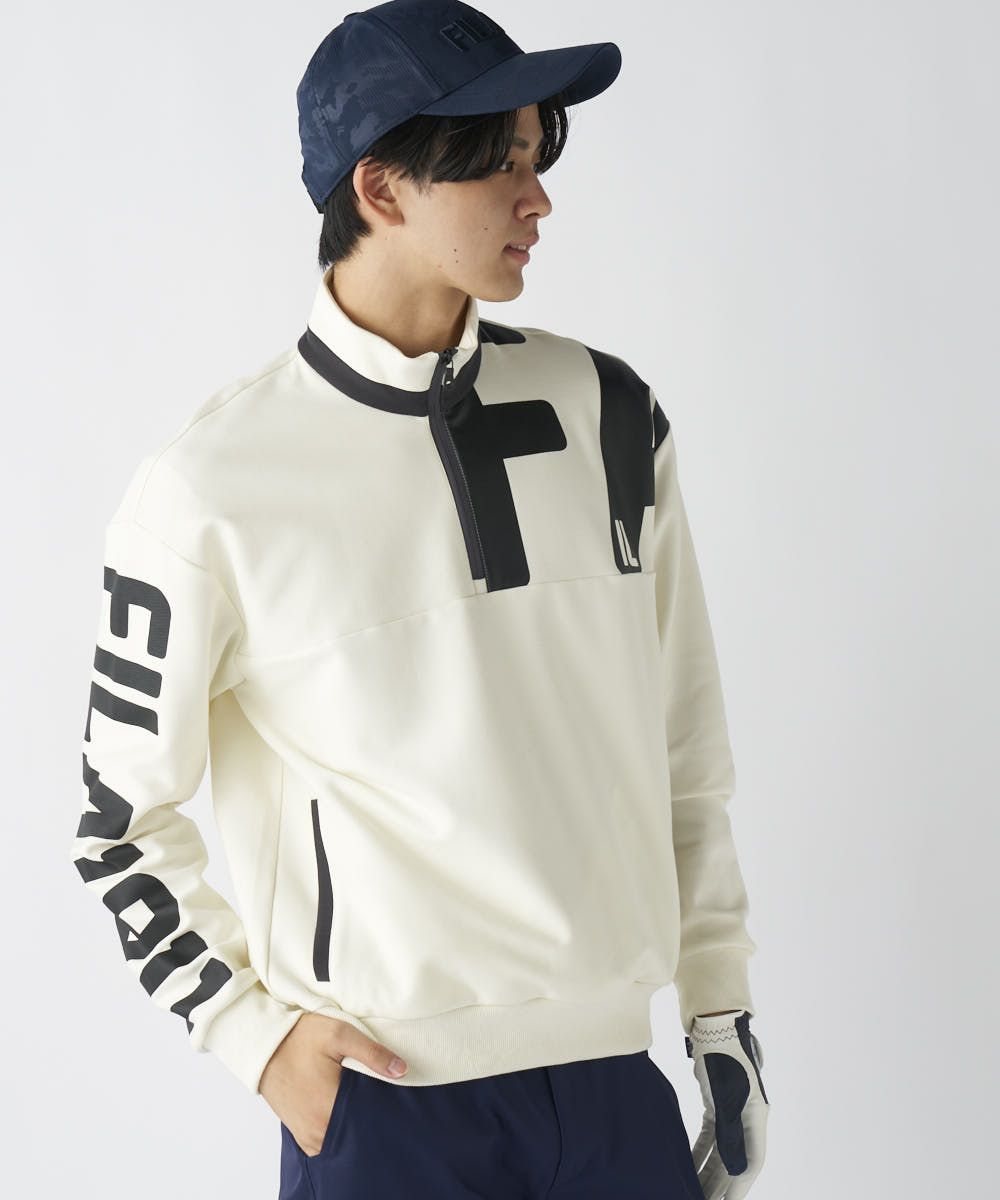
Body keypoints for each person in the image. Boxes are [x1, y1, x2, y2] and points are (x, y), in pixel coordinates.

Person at [69, 1, 770, 1196]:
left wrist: (721, 1011)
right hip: (387, 1109)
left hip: (614, 1092)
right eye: (500, 162)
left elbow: (685, 754)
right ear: (381, 188)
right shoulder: (210, 487)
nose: (537, 197)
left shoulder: (610, 414)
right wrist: (253, 1037)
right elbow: (116, 823)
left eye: (538, 152)